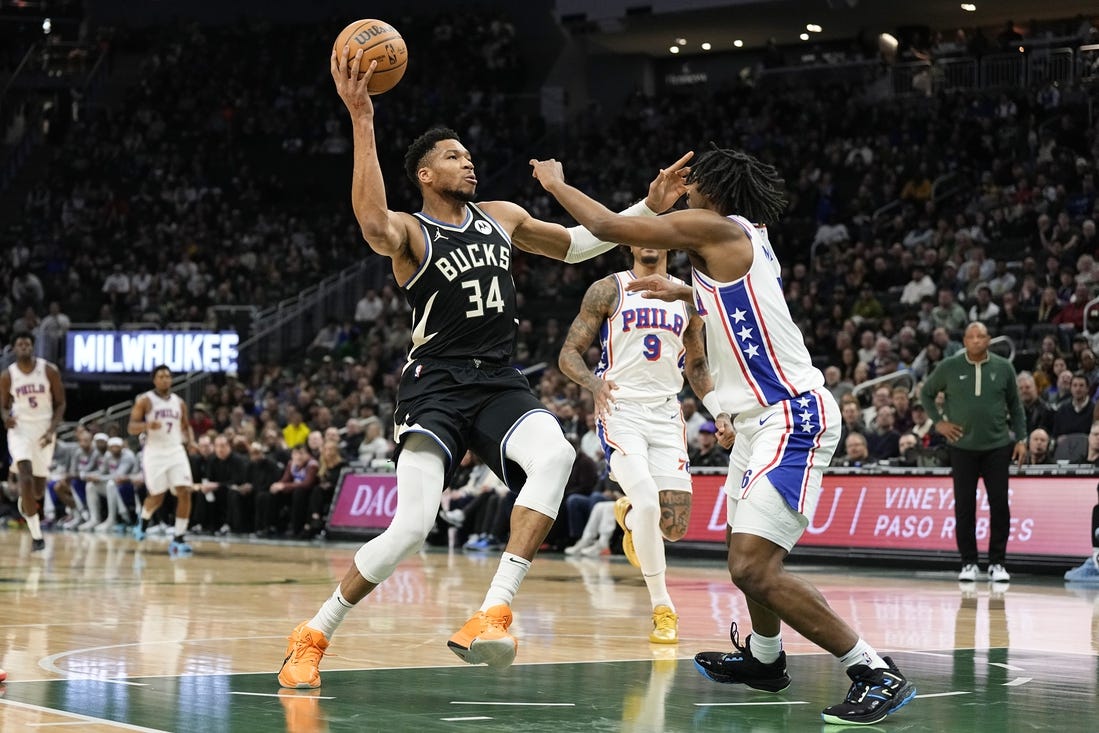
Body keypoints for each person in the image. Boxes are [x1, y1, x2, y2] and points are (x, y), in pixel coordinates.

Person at [277, 46, 687, 689]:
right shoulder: (410, 232)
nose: (467, 161)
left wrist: (646, 207)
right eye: (452, 156)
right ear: (424, 175)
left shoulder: (502, 217)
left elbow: (581, 246)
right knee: (411, 527)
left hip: (497, 378)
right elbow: (369, 220)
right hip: (435, 383)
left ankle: (493, 612)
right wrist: (361, 118)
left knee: (554, 457)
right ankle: (314, 633)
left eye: (468, 154)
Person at [530, 145, 916, 725]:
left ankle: (873, 670)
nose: (687, 193)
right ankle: (765, 659)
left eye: (694, 186)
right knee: (744, 552)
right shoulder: (742, 240)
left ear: (713, 190)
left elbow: (608, 228)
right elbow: (742, 304)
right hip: (756, 423)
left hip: (792, 415)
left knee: (754, 567)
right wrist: (687, 295)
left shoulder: (713, 228)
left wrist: (557, 183)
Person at [557, 244, 713, 643]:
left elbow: (696, 364)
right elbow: (569, 353)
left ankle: (626, 517)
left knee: (673, 527)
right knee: (648, 501)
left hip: (666, 413)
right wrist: (594, 384)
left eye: (656, 234)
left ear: (668, 243)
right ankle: (663, 608)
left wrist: (718, 410)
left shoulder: (684, 294)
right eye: (640, 233)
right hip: (621, 407)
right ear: (629, 242)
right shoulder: (609, 289)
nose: (647, 241)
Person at [919, 321, 1026, 584]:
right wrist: (939, 422)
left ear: (989, 340)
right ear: (964, 341)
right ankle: (968, 562)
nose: (977, 340)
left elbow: (1016, 405)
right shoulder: (949, 366)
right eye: (971, 336)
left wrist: (1021, 438)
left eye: (981, 336)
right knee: (964, 507)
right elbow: (926, 393)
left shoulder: (1004, 367)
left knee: (999, 504)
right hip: (962, 447)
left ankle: (997, 563)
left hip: (998, 446)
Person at [0, 331, 65, 552]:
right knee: (25, 479)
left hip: (44, 430)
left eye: (28, 344)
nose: (24, 347)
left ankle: (26, 503)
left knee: (37, 491)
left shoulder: (48, 371)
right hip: (20, 430)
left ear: (32, 347)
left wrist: (51, 431)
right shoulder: (8, 376)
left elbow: (61, 403)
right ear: (14, 349)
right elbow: (3, 405)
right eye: (20, 344)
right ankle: (37, 536)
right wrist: (5, 418)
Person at [127, 365, 197, 556]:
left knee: (185, 491)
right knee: (157, 496)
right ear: (154, 380)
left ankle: (179, 537)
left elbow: (185, 426)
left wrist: (191, 442)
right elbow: (131, 428)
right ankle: (144, 520)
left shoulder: (179, 402)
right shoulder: (145, 400)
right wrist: (146, 425)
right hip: (155, 452)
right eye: (161, 376)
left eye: (168, 376)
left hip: (175, 450)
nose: (165, 379)